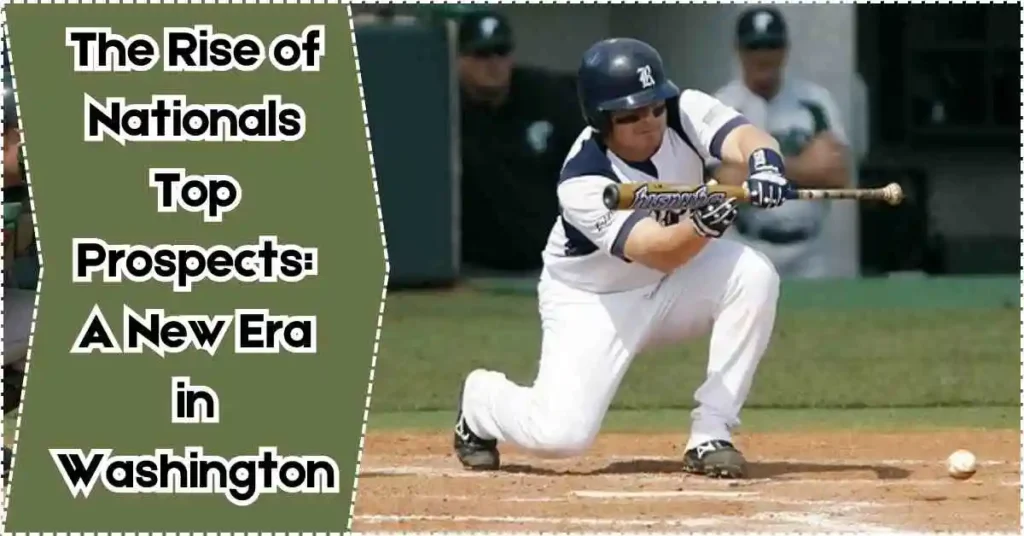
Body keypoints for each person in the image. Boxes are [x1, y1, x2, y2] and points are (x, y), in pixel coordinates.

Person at [452, 37, 794, 479]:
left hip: (674, 286)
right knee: (561, 437)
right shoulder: (583, 179)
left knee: (753, 274)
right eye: (631, 114)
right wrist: (704, 224)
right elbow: (655, 251)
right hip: (593, 301)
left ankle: (712, 431)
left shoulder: (684, 111)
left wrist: (765, 165)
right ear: (601, 118)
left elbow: (748, 138)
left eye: (654, 106)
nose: (649, 121)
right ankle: (481, 401)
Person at [711, 6, 852, 278]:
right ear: (739, 52)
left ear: (785, 50)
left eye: (771, 46)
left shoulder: (815, 102)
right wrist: (803, 166)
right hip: (746, 247)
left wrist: (756, 168)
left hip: (809, 253)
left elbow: (837, 174)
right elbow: (726, 184)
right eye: (755, 47)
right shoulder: (721, 106)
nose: (764, 56)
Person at [456, 9, 587, 273]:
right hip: (473, 268)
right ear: (460, 60)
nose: (493, 63)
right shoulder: (445, 110)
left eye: (501, 52)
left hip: (551, 262)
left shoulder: (548, 96)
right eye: (481, 54)